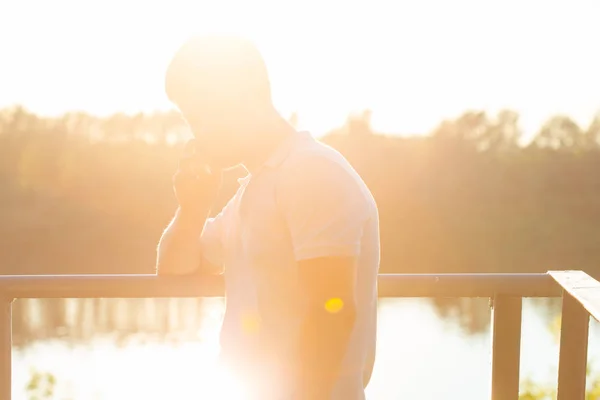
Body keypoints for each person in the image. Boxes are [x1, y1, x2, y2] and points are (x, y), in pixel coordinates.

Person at [156, 34, 380, 400]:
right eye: (190, 119)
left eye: (201, 115)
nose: (197, 133)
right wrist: (193, 209)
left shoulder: (312, 171)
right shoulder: (254, 189)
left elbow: (332, 314)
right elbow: (174, 269)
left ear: (246, 97)